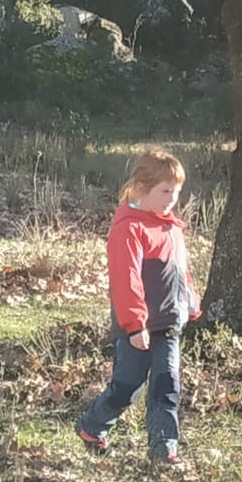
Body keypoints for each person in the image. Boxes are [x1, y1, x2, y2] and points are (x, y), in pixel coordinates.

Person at [76, 147, 201, 464]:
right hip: (138, 327)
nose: (172, 199)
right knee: (126, 386)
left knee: (167, 385)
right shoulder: (129, 227)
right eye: (165, 191)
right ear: (142, 189)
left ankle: (164, 449)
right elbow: (125, 278)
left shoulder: (171, 226)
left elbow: (180, 269)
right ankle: (92, 426)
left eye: (176, 191)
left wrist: (190, 301)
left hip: (169, 323)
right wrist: (134, 324)